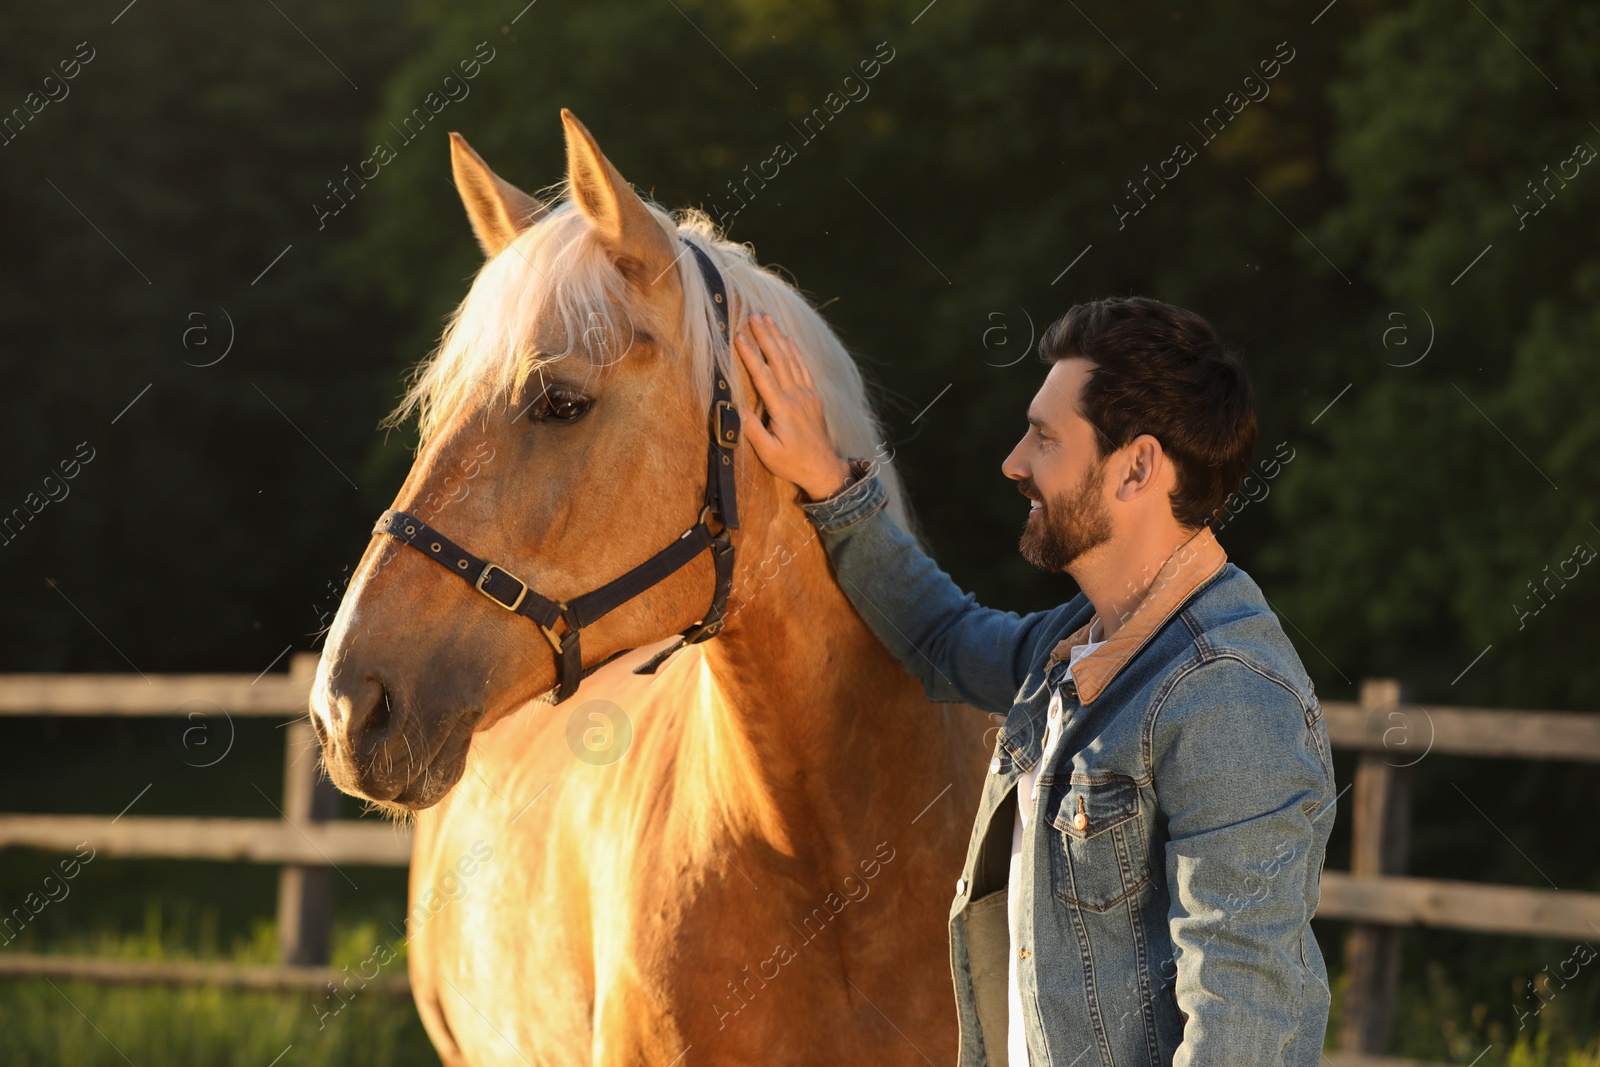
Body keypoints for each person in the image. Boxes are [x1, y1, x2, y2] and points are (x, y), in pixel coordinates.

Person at [732, 296, 1337, 1067]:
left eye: (1046, 438)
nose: (1014, 461)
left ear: (1138, 467)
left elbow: (1244, 1020)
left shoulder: (1228, 693)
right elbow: (944, 638)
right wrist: (826, 478)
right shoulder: (1076, 646)